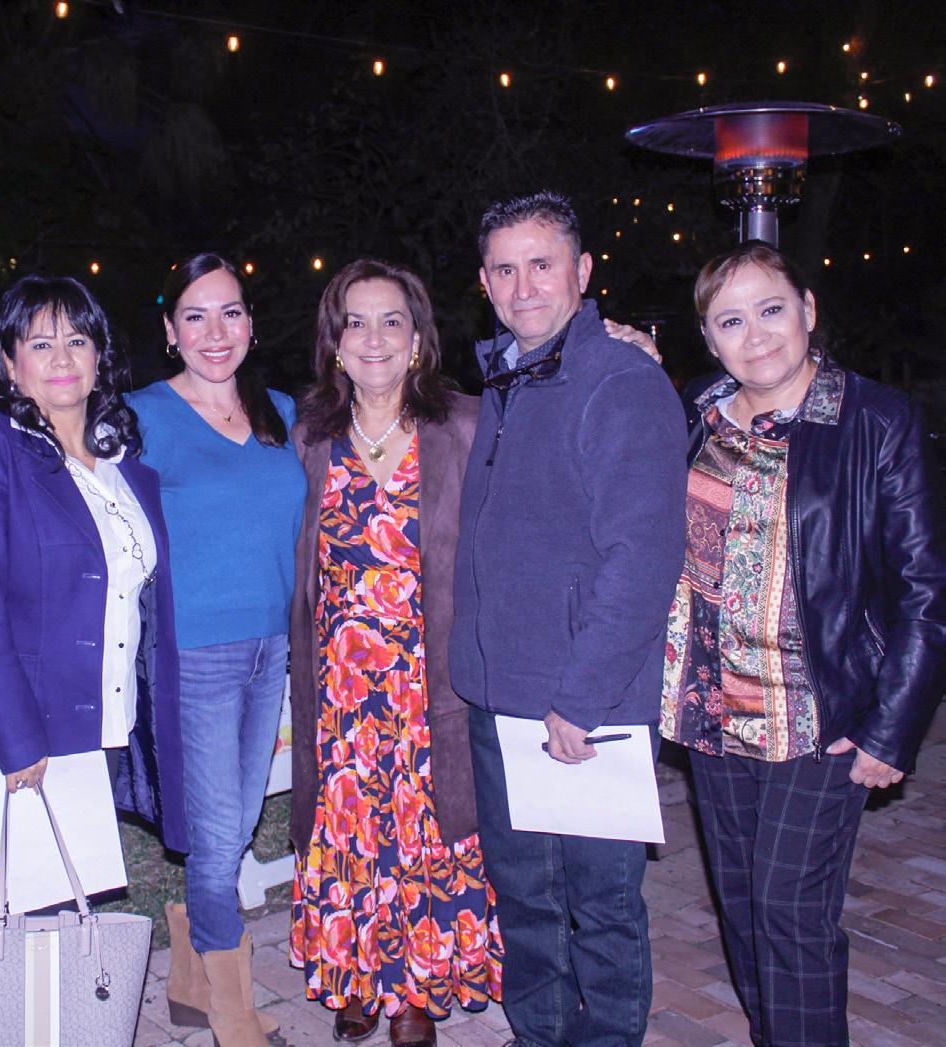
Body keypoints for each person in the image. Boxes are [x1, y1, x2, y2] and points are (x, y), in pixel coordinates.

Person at [660, 241, 946, 1046]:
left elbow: (926, 588)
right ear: (707, 338)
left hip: (820, 714)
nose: (754, 334)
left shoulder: (875, 420)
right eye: (729, 320)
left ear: (807, 310)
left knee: (789, 911)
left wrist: (891, 726)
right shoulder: (696, 409)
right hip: (711, 710)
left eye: (770, 309)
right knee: (744, 909)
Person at [451, 190, 687, 1046]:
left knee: (601, 906)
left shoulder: (620, 380)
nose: (523, 287)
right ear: (484, 282)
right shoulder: (507, 377)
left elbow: (643, 557)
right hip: (502, 696)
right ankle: (540, 1034)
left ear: (581, 271)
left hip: (587, 702)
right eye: (504, 270)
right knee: (526, 900)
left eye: (541, 264)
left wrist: (580, 698)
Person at [288, 260, 504, 1047]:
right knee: (348, 827)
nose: (372, 337)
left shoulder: (465, 425)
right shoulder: (307, 436)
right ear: (333, 341)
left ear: (417, 337)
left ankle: (413, 989)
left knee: (426, 829)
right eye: (355, 321)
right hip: (341, 687)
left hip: (429, 680)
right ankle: (354, 971)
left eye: (391, 320)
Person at [0, 274, 187, 870]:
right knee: (45, 907)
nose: (62, 358)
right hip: (30, 726)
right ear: (9, 363)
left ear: (99, 356)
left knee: (81, 895)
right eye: (41, 344)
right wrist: (18, 743)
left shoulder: (125, 462)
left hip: (109, 715)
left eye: (77, 340)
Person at [127, 253, 306, 1046]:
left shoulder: (279, 410)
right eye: (194, 315)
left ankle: (191, 975)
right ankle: (232, 1007)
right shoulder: (139, 416)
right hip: (193, 651)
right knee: (215, 833)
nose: (214, 331)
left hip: (272, 646)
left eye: (229, 311)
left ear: (250, 322)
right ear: (170, 330)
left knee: (235, 823)